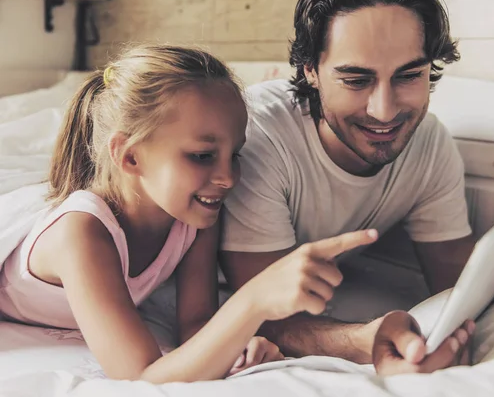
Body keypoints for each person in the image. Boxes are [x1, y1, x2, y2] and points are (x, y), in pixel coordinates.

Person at [219, 0, 494, 375]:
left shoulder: (430, 144)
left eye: (408, 75)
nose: (384, 111)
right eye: (356, 79)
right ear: (310, 68)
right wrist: (365, 341)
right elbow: (264, 312)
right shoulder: (261, 134)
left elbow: (454, 285)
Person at [0, 44, 383, 383]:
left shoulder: (195, 215)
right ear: (130, 156)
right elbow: (141, 375)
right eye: (202, 156)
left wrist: (239, 344)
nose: (228, 178)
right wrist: (255, 299)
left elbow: (195, 325)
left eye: (235, 154)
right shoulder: (82, 233)